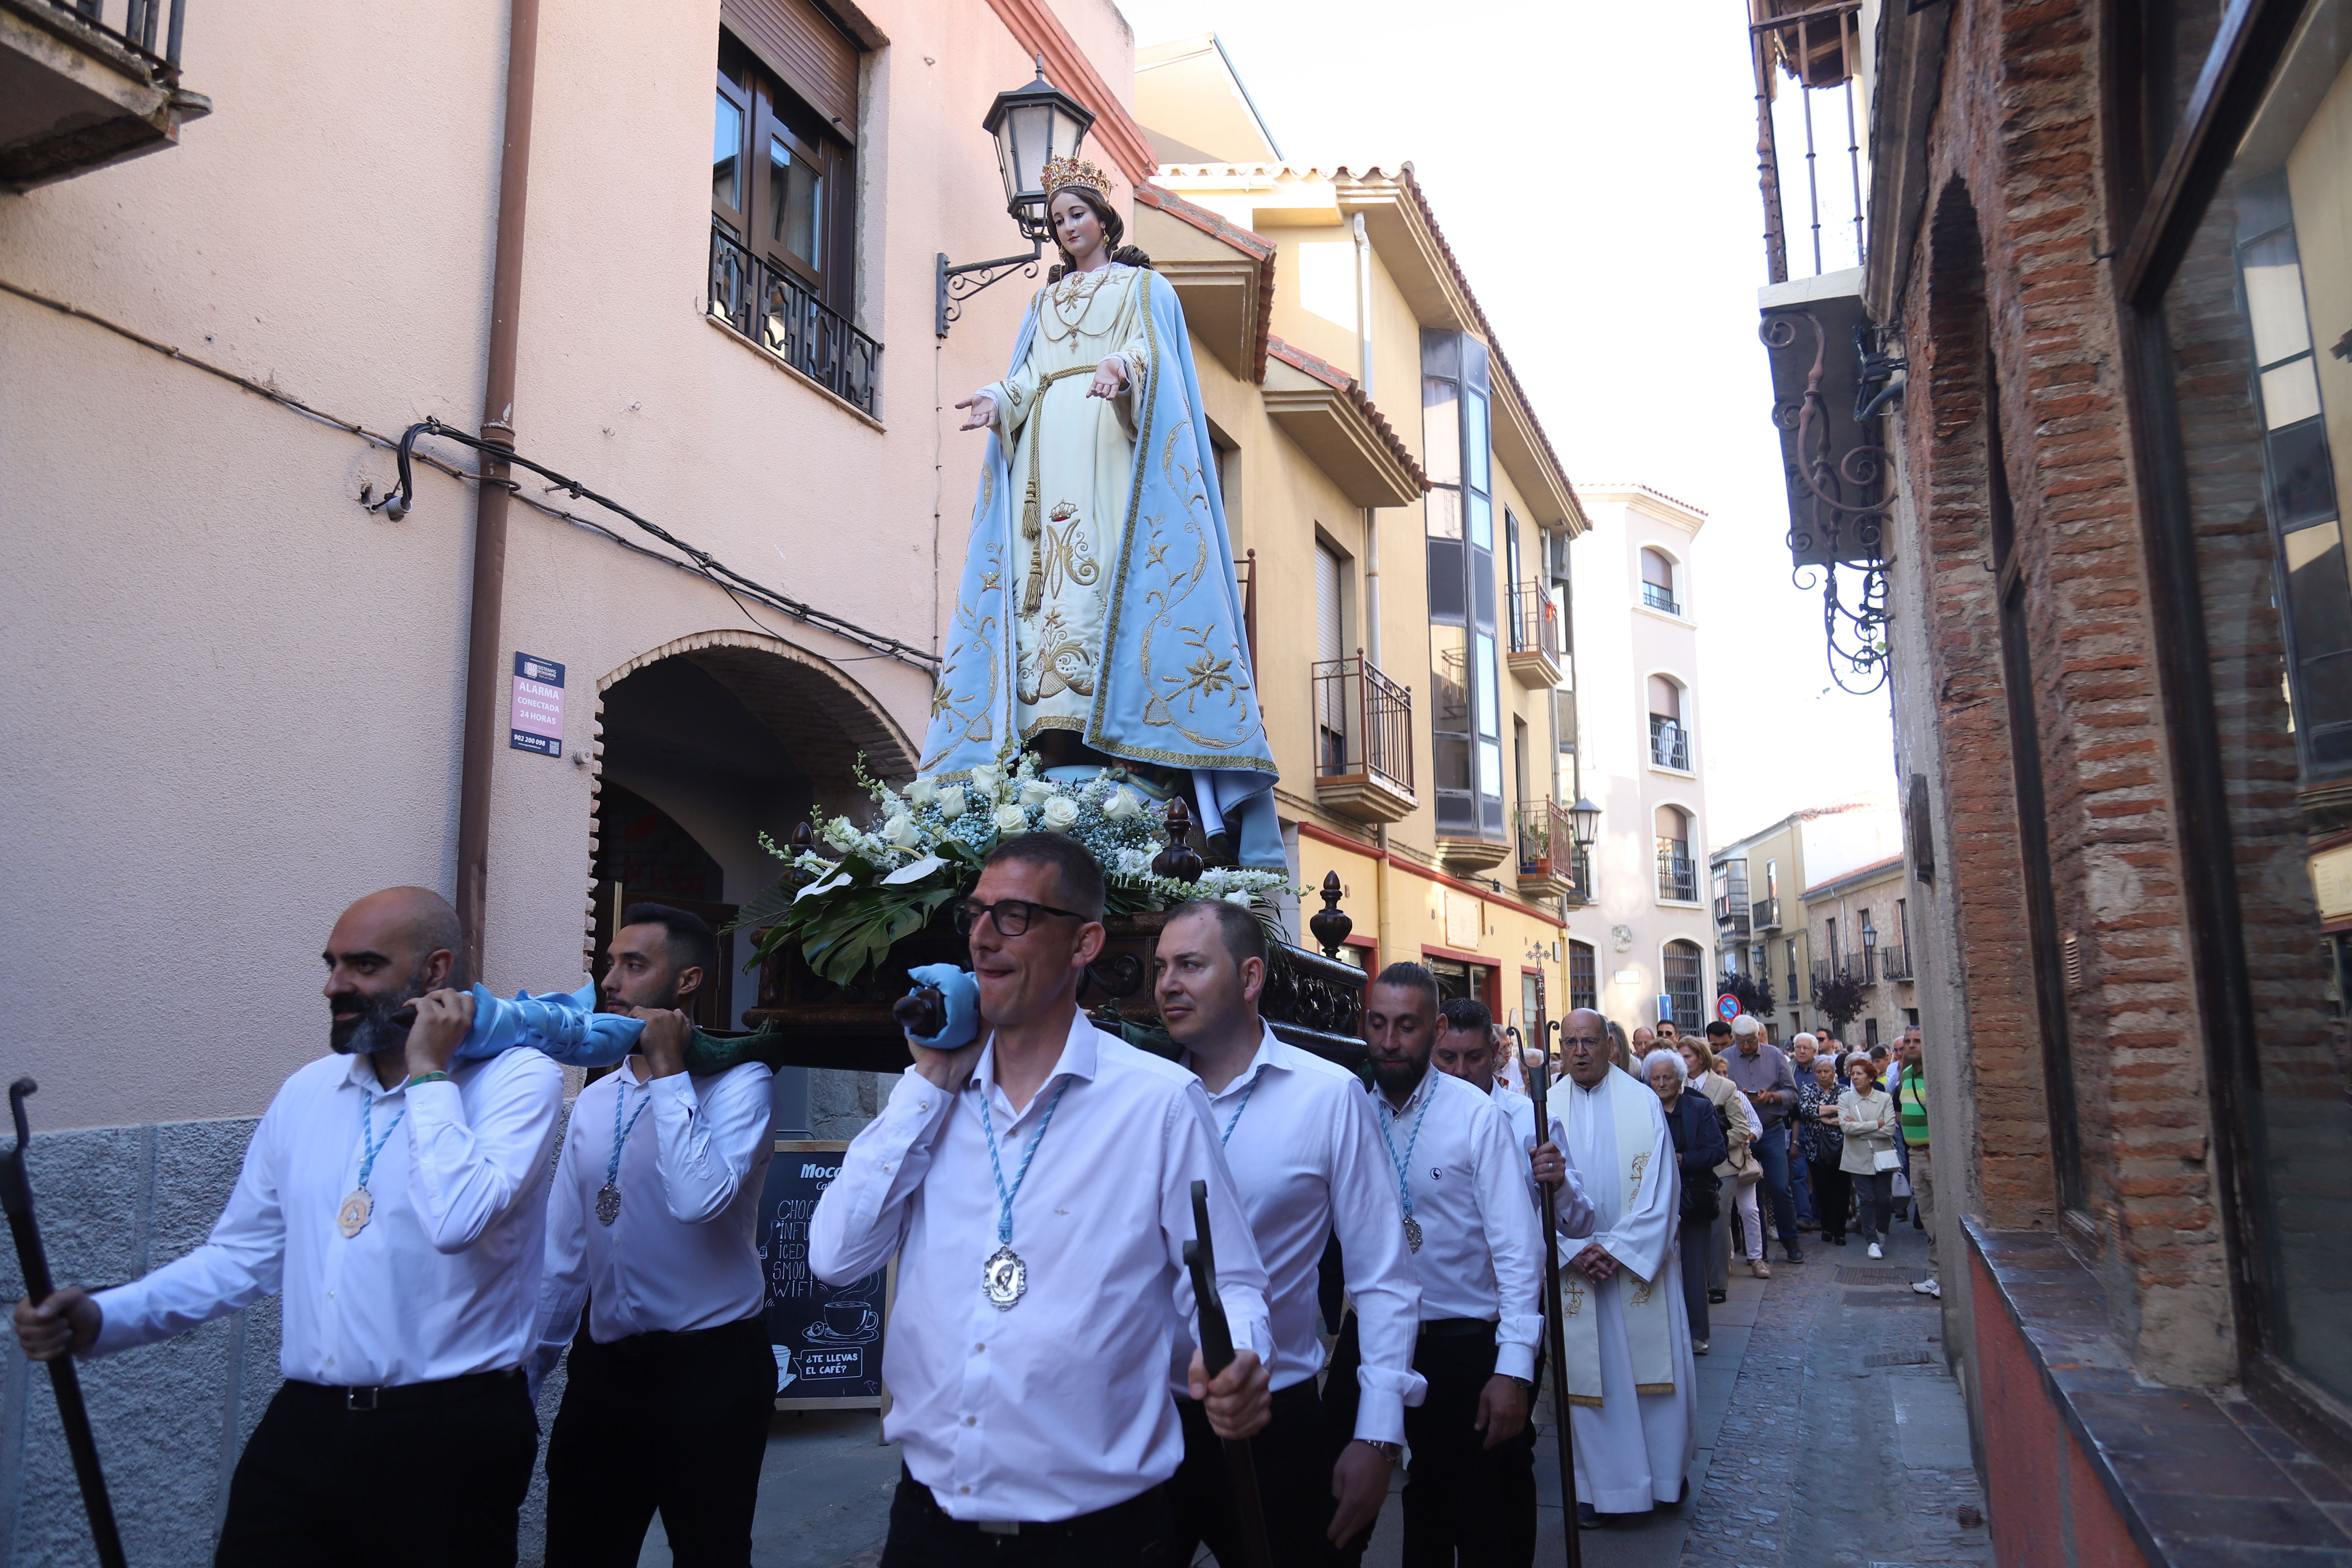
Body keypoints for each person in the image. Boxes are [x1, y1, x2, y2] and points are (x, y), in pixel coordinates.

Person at [12, 887, 563, 1566]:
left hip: (449, 1438)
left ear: (435, 972)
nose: (335, 985)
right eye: (332, 965)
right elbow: (239, 1256)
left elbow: (456, 1218)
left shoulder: (519, 1080)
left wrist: (429, 1073)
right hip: (305, 1427)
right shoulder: (308, 1091)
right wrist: (102, 1317)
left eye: (363, 966)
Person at [808, 835, 1273, 1563]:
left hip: (1099, 1539)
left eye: (1016, 915)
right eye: (977, 914)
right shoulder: (929, 1101)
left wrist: (1239, 1356)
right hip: (929, 1530)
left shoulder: (1159, 1104)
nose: (984, 937)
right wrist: (926, 1086)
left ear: (1085, 941)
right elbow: (836, 1257)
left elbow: (1230, 1283)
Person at [933, 153, 1280, 866]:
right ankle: (1050, 752)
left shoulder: (1144, 288)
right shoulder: (1043, 303)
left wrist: (1124, 370)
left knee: (1104, 590)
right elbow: (1027, 375)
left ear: (1104, 220)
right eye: (1058, 221)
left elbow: (1157, 365)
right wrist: (997, 401)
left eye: (1078, 215)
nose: (1067, 229)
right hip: (1042, 469)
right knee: (1043, 603)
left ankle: (1132, 759)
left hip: (1112, 458)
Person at [1151, 901, 1425, 1565]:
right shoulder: (1138, 1092)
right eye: (1160, 967)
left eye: (1190, 964)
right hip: (1144, 1419)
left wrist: (1376, 1436)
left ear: (1249, 978)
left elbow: (1383, 1276)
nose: (1167, 984)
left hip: (1274, 1416)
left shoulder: (1327, 1097)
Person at [531, 905, 777, 1568]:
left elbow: (699, 1203)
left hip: (712, 1372)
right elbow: (564, 1256)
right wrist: (526, 1377)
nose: (610, 981)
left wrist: (670, 1073)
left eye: (634, 965)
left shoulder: (741, 1084)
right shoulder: (594, 1100)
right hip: (605, 1372)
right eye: (609, 963)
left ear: (687, 981)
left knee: (712, 1554)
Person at [1335, 963, 1547, 1567]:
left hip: (1459, 1344)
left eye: (1407, 1025)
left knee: (1474, 1519)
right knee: (1334, 1512)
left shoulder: (1474, 1116)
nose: (1390, 1041)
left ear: (1437, 1027)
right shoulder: (1345, 1107)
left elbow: (1517, 1251)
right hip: (1370, 1340)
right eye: (1378, 1024)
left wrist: (1513, 1369)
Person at [1555, 1013, 1697, 1528]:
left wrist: (1615, 1250)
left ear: (1610, 1046)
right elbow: (1527, 1194)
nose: (1579, 1052)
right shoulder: (1545, 1106)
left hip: (1639, 1268)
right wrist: (1572, 1251)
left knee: (1655, 1382)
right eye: (1569, 1043)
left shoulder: (1642, 1103)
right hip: (1578, 1270)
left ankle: (1662, 1479)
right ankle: (1602, 1490)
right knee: (1595, 1389)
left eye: (1589, 1042)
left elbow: (1662, 1191)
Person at [1644, 1046, 1725, 1357]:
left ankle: (1697, 1334)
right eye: (1656, 1079)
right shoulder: (1642, 1108)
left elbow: (1717, 1150)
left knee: (1693, 1265)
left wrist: (1683, 1159)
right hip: (1654, 1197)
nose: (1661, 1084)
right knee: (1655, 1264)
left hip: (1693, 1195)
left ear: (1680, 1081)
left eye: (1667, 1078)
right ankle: (1658, 1334)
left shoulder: (1699, 1107)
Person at [1720, 1014, 1803, 1267]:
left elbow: (1793, 1095)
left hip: (1772, 1129)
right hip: (1742, 1136)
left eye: (1751, 1041)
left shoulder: (1775, 1055)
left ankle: (1791, 1241)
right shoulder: (1725, 1058)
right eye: (1742, 1042)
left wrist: (1771, 1098)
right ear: (1735, 1039)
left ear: (1759, 1037)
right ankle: (1759, 1253)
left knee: (1780, 1187)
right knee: (1750, 1196)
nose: (1746, 1047)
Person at [1678, 1037, 1754, 1302]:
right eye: (1680, 1057)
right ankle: (1693, 1280)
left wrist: (1713, 1143)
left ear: (1701, 1057)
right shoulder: (1676, 1086)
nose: (1683, 1062)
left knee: (1718, 1222)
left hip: (1722, 1166)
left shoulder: (1725, 1086)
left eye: (1687, 1057)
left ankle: (1718, 1284)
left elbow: (1743, 1129)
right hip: (1688, 1166)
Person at [1838, 1053, 1900, 1259]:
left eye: (1860, 1074)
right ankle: (1872, 1240)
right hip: (1857, 1157)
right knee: (1866, 1199)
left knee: (1884, 1199)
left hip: (1883, 1155)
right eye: (1853, 1074)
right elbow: (1846, 1127)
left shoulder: (1884, 1099)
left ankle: (1882, 1232)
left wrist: (1860, 1128)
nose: (1855, 1078)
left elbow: (1890, 1130)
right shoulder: (1845, 1099)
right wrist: (1876, 1124)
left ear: (1871, 1078)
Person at [1893, 1027, 1940, 1298]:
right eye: (1907, 1042)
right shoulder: (1907, 1075)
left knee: (1940, 1220)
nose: (1911, 1046)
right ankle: (1937, 1275)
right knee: (1928, 1219)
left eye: (1917, 1042)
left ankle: (1948, 1279)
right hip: (1915, 1155)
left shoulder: (1933, 1075)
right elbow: (1902, 1112)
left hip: (1933, 1154)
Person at [1798, 1055, 1849, 1246]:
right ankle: (1827, 1227)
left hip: (1841, 1148)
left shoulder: (1844, 1090)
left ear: (1834, 1073)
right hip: (1815, 1148)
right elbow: (1807, 1110)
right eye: (1819, 1072)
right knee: (1822, 1189)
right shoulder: (1808, 1089)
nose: (1823, 1075)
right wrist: (1834, 1111)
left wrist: (1825, 1117)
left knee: (1842, 1189)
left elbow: (1848, 1113)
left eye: (1827, 1071)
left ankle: (1840, 1231)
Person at [1785, 1033, 1821, 1230]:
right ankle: (1803, 1216)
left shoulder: (1821, 1069)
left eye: (1805, 1048)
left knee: (1819, 1173)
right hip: (1796, 1127)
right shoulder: (1790, 1070)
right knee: (1798, 1174)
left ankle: (1820, 1215)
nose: (1800, 1051)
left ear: (1815, 1052)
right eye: (1798, 1047)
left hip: (1820, 1127)